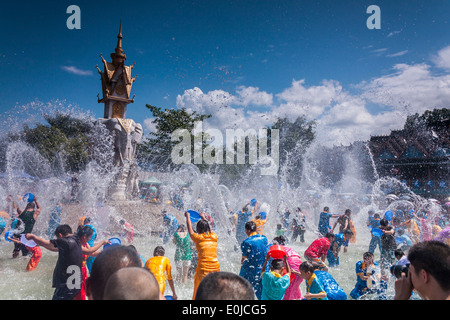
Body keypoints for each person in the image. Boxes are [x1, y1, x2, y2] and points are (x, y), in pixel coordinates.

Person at [25, 224, 107, 300]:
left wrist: (33, 237)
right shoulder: (77, 240)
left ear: (60, 235)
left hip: (68, 284)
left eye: (57, 237)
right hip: (74, 283)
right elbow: (53, 248)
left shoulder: (65, 241)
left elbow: (49, 244)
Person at [185, 210, 220, 299]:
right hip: (215, 267)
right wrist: (203, 218)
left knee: (199, 290)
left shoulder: (198, 238)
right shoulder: (214, 237)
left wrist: (188, 217)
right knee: (213, 290)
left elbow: (190, 229)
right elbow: (210, 229)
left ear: (198, 229)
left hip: (203, 268)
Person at [75, 225, 106, 300]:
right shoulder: (77, 244)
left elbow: (92, 253)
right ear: (85, 236)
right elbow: (89, 251)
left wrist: (103, 252)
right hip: (76, 271)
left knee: (87, 290)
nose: (90, 239)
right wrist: (102, 242)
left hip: (83, 270)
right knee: (80, 293)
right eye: (90, 237)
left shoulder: (85, 243)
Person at [239, 221, 269, 300]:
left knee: (240, 285)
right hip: (265, 269)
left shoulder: (246, 242)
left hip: (252, 271)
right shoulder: (264, 238)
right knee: (262, 293)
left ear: (246, 230)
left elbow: (244, 258)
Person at [272, 236, 304, 300]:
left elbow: (275, 265)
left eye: (273, 244)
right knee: (295, 289)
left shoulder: (278, 250)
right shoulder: (290, 249)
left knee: (287, 293)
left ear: (276, 244)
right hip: (301, 270)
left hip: (291, 272)